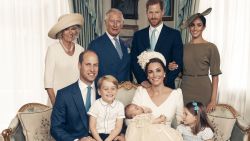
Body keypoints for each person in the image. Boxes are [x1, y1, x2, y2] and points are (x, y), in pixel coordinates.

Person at [51, 51, 125, 141]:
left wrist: (121, 135)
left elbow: (116, 117)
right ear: (79, 65)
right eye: (88, 64)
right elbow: (55, 128)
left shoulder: (106, 91)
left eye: (95, 65)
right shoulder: (64, 95)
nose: (92, 69)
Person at [169, 8, 221, 112]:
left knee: (201, 122)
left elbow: (215, 76)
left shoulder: (211, 47)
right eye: (192, 25)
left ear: (204, 27)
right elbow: (180, 71)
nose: (195, 28)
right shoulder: (183, 47)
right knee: (186, 120)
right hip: (186, 88)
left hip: (204, 89)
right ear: (189, 27)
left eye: (199, 25)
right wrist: (172, 67)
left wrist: (213, 100)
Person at [131, 0, 183, 89]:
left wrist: (162, 82)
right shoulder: (138, 35)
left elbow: (177, 63)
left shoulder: (174, 35)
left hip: (166, 87)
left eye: (157, 12)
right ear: (147, 13)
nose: (153, 16)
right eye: (150, 12)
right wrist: (143, 80)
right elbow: (134, 61)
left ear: (162, 12)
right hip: (145, 87)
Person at [132, 51, 184, 127]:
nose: (155, 75)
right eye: (150, 72)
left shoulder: (176, 95)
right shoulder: (141, 92)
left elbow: (180, 122)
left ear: (164, 72)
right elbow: (130, 120)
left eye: (158, 70)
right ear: (147, 75)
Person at [45, 13, 84, 106]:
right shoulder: (53, 50)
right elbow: (48, 82)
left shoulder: (81, 50)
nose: (71, 32)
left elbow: (83, 78)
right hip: (57, 101)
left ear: (76, 31)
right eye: (67, 29)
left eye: (73, 29)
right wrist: (56, 106)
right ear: (61, 32)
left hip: (76, 102)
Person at [88, 8, 130, 83]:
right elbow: (90, 73)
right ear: (105, 22)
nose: (115, 25)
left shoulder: (126, 45)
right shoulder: (95, 45)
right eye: (112, 21)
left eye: (118, 21)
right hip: (104, 91)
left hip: (124, 92)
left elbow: (128, 72)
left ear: (122, 24)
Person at [88, 75, 125, 141]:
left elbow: (118, 127)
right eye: (106, 89)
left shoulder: (120, 106)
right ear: (99, 91)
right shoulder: (96, 104)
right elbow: (92, 127)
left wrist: (108, 139)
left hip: (112, 136)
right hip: (96, 135)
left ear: (117, 90)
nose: (109, 91)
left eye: (113, 88)